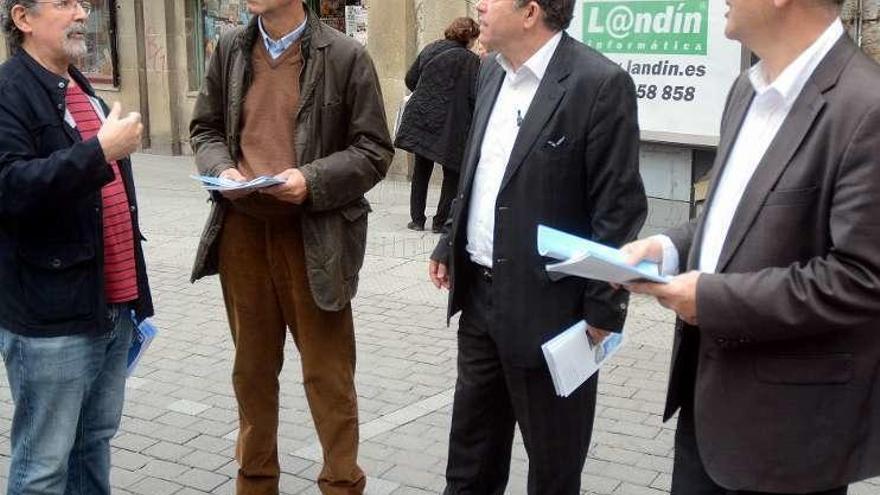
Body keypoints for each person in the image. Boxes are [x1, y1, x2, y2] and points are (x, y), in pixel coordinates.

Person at [621, 1, 880, 493]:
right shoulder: (746, 90)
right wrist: (664, 247)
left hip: (787, 437)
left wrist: (713, 299)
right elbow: (731, 217)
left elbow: (861, 279)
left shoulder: (867, 106)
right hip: (707, 411)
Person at [428, 0, 646, 493]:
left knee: (552, 471)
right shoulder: (490, 73)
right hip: (480, 304)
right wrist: (450, 241)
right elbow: (482, 172)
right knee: (469, 466)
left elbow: (618, 210)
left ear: (530, 12)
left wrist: (603, 312)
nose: (479, 4)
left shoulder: (598, 84)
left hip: (556, 316)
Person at [189, 0, 393, 493]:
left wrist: (310, 179)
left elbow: (374, 150)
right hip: (242, 230)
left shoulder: (344, 55)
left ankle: (342, 483)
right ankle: (256, 482)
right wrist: (223, 171)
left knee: (328, 375)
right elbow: (206, 128)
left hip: (316, 238)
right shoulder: (231, 49)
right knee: (252, 371)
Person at [0, 0, 153, 493]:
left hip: (109, 307)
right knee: (44, 466)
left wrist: (133, 302)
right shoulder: (9, 91)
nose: (83, 11)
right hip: (51, 318)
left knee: (93, 444)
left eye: (83, 2)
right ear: (23, 19)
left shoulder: (83, 89)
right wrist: (99, 152)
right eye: (65, 2)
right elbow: (10, 187)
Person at [395, 17, 480, 233]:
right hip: (452, 122)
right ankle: (440, 221)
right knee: (452, 171)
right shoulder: (470, 60)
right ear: (469, 37)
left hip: (424, 116)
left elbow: (410, 79)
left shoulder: (430, 49)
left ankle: (417, 219)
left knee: (421, 170)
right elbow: (474, 94)